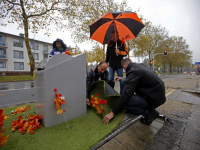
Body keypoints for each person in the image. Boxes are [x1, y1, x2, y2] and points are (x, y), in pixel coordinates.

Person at [103, 58, 166, 125]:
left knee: (124, 103)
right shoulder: (140, 66)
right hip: (157, 95)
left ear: (124, 66)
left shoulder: (133, 71)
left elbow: (127, 94)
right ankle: (145, 107)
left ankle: (149, 112)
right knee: (124, 81)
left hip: (153, 99)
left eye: (124, 69)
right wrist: (122, 79)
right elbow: (136, 78)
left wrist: (113, 112)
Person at [105, 30, 128, 94]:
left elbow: (126, 52)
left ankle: (122, 93)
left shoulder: (122, 42)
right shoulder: (109, 42)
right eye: (112, 36)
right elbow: (107, 53)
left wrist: (119, 52)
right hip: (111, 65)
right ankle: (111, 93)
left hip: (119, 65)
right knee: (110, 80)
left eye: (115, 36)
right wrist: (106, 62)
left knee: (121, 80)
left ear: (118, 35)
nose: (114, 38)